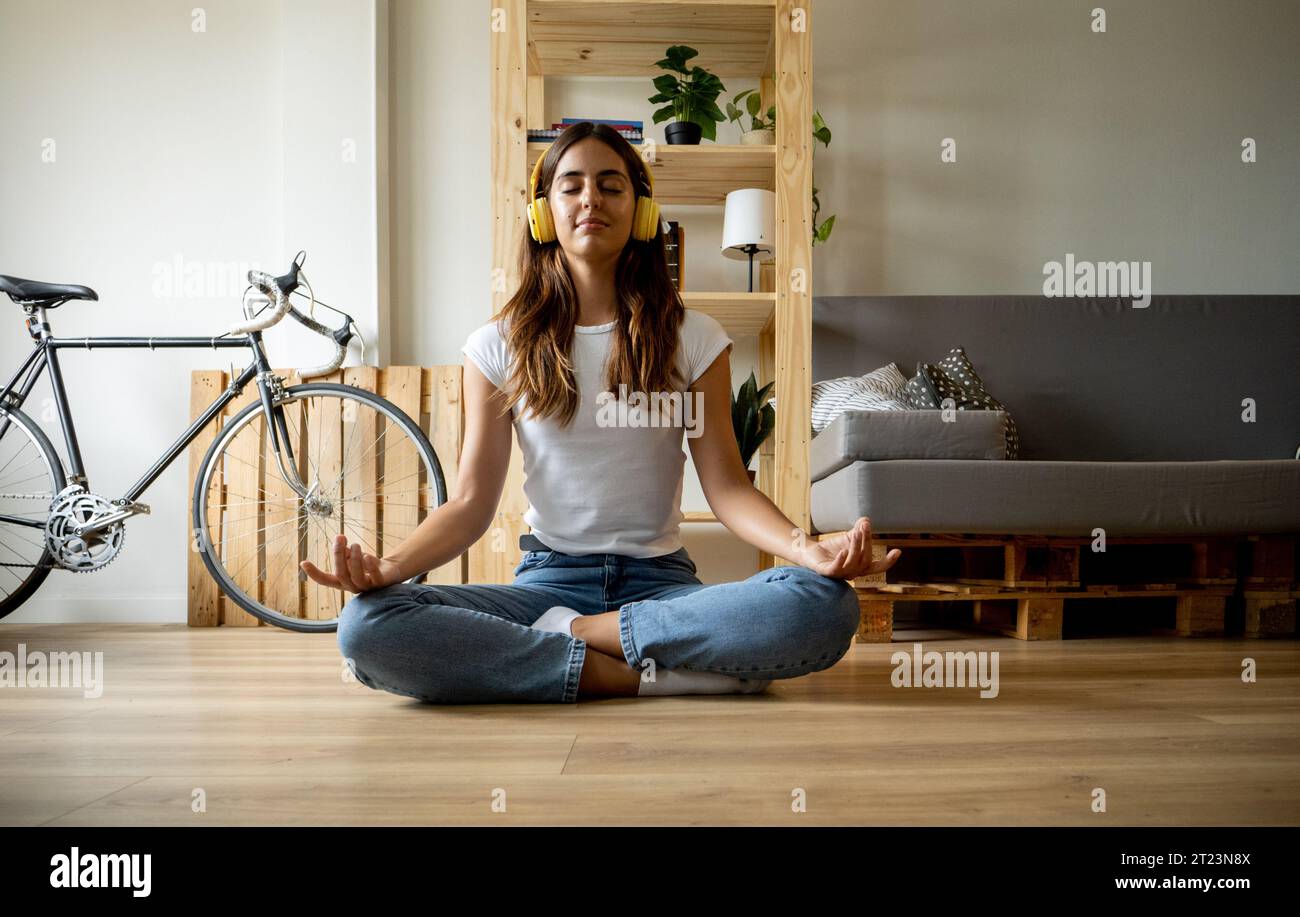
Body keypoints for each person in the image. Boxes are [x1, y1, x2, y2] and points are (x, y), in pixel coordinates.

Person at [301, 121, 901, 703]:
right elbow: (469, 504)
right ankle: (648, 674)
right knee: (367, 625)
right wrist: (390, 568)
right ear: (545, 213)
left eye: (612, 185)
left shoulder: (695, 338)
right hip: (546, 585)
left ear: (640, 212)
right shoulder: (495, 345)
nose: (592, 198)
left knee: (824, 604)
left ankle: (581, 643)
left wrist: (806, 549)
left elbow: (727, 488)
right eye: (572, 185)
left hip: (661, 587)